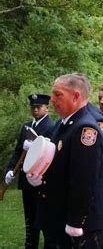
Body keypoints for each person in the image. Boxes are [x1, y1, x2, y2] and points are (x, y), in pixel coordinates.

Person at [29, 74, 103, 248]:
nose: (53, 100)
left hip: (75, 224)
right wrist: (37, 176)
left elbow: (84, 180)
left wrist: (76, 221)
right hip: (57, 216)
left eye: (58, 95)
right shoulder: (62, 125)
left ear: (76, 96)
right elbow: (54, 163)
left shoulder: (85, 129)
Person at [4, 94, 55, 249]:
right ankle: (30, 244)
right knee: (30, 217)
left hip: (41, 180)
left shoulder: (52, 127)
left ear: (47, 107)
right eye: (33, 107)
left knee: (44, 217)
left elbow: (50, 154)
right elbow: (18, 151)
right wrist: (10, 169)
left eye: (39, 106)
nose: (35, 109)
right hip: (26, 179)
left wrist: (34, 146)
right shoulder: (26, 126)